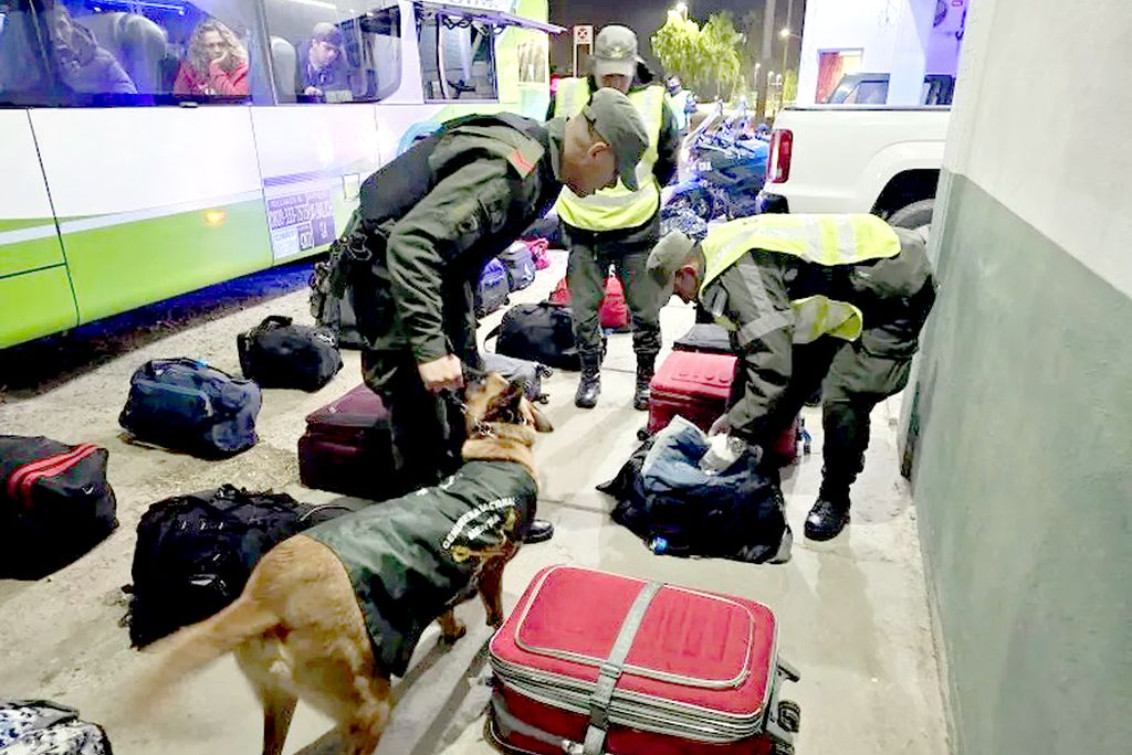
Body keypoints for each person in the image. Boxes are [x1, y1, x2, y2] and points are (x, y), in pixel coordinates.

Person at [323, 88, 648, 544]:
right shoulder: (510, 172)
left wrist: (460, 329)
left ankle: (485, 511)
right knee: (421, 420)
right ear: (597, 152)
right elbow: (413, 245)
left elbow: (457, 248)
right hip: (392, 280)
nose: (610, 186)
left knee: (472, 394)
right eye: (614, 174)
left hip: (436, 276)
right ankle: (435, 547)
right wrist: (432, 349)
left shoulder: (544, 163)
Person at [646, 214, 936, 541]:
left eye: (675, 290)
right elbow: (754, 350)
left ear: (687, 272)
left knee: (845, 398)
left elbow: (772, 366)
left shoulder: (738, 276)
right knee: (789, 384)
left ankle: (835, 496)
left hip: (894, 288)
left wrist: (739, 430)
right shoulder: (717, 254)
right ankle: (759, 461)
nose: (681, 299)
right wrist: (734, 416)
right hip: (848, 287)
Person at [549, 25, 681, 410]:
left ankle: (644, 378)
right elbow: (554, 146)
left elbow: (669, 161)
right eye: (606, 73)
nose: (613, 81)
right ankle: (590, 375)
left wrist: (638, 189)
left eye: (620, 75)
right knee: (583, 312)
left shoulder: (656, 101)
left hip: (637, 230)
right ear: (594, 66)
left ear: (633, 66)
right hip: (581, 228)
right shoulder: (569, 95)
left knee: (645, 311)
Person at [46, 6, 137, 95]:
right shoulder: (37, 66)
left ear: (71, 27)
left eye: (62, 26)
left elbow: (127, 90)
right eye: (49, 29)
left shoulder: (100, 58)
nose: (57, 35)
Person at [174, 19, 249, 97]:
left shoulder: (242, 69)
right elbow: (179, 99)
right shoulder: (189, 70)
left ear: (229, 45)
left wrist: (215, 68)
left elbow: (237, 101)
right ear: (201, 48)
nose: (217, 50)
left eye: (221, 44)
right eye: (210, 46)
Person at [296, 22, 349, 101]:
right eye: (327, 48)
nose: (332, 54)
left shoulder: (339, 63)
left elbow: (346, 94)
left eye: (335, 51)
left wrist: (321, 92)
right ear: (314, 43)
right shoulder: (295, 61)